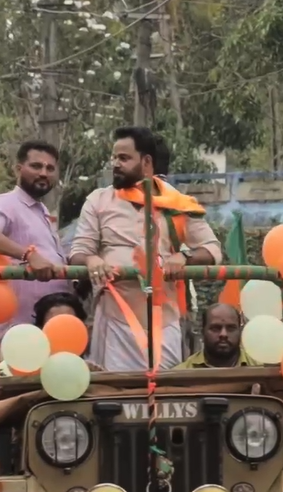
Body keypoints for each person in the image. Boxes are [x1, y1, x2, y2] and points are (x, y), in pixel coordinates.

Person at [69, 127, 222, 371]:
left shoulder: (176, 203)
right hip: (114, 317)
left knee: (164, 393)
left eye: (124, 158)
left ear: (146, 161)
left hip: (165, 318)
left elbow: (212, 250)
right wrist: (91, 260)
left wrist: (183, 256)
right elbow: (78, 251)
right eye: (114, 158)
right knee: (115, 398)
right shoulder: (98, 200)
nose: (115, 164)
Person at [0, 141, 72, 346]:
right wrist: (28, 256)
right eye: (36, 166)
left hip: (56, 329)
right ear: (18, 169)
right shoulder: (5, 203)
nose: (44, 173)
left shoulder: (43, 212)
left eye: (50, 168)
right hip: (21, 336)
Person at [176, 304, 258, 369]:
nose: (223, 334)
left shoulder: (261, 370)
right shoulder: (181, 375)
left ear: (240, 332)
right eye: (215, 328)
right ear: (202, 332)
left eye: (231, 328)